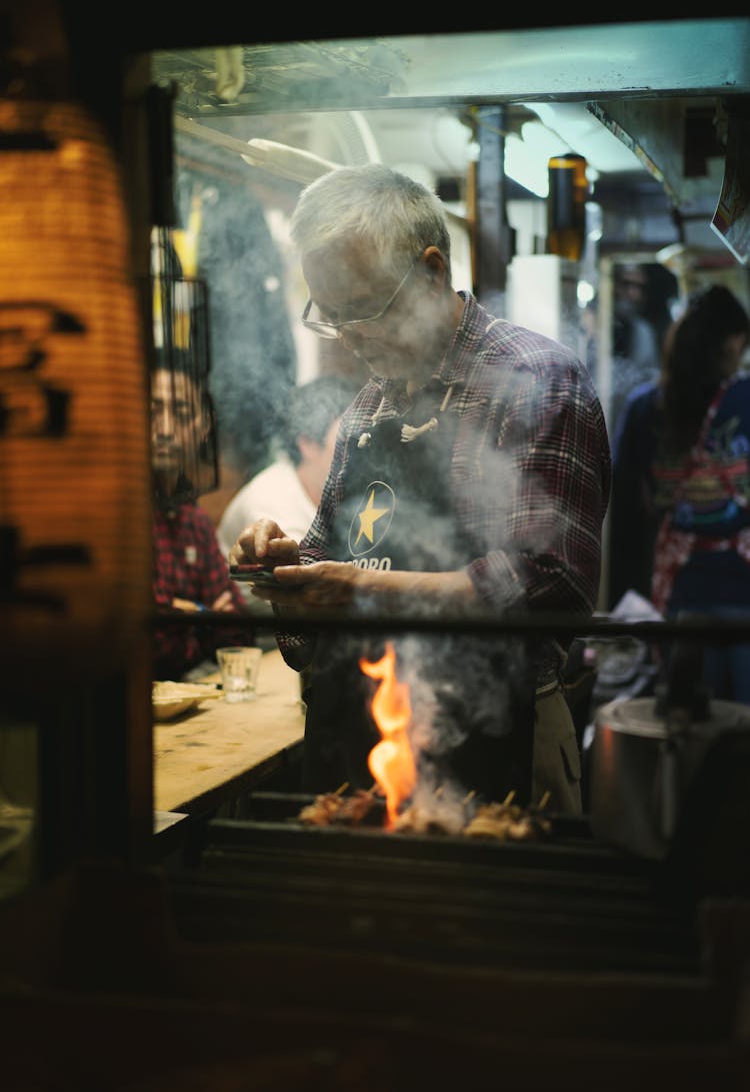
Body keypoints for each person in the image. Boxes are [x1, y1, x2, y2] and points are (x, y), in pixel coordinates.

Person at [229, 164, 610, 813]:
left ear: (433, 273)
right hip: (366, 744)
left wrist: (361, 589)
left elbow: (549, 585)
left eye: (365, 309)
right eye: (332, 314)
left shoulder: (535, 380)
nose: (347, 338)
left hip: (500, 753)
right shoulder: (369, 406)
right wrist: (288, 572)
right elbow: (327, 582)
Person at [610, 283, 750, 703]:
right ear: (730, 342)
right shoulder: (747, 398)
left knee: (689, 734)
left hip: (678, 595)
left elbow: (630, 513)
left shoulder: (643, 407)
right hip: (744, 592)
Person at [151, 359, 249, 681]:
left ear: (203, 426)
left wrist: (188, 617)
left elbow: (237, 629)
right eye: (152, 411)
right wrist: (205, 621)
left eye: (180, 414)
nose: (165, 430)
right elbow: (152, 641)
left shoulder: (195, 520)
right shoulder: (116, 514)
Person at [217, 375, 358, 558]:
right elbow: (310, 580)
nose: (365, 447)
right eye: (352, 438)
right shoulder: (270, 502)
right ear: (308, 443)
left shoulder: (350, 494)